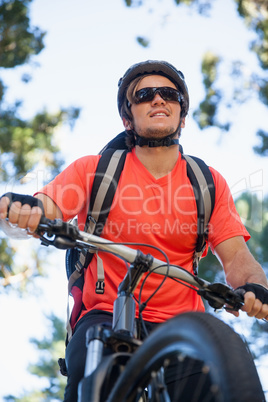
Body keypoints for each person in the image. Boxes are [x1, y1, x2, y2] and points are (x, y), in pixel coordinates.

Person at [1, 60, 268, 401]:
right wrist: (27, 211)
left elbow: (237, 259)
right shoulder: (95, 171)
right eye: (145, 95)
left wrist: (254, 289)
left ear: (182, 116)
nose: (158, 100)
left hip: (184, 323)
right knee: (93, 369)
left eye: (169, 94)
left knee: (227, 368)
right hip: (106, 315)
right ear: (128, 118)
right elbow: (46, 209)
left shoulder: (208, 183)